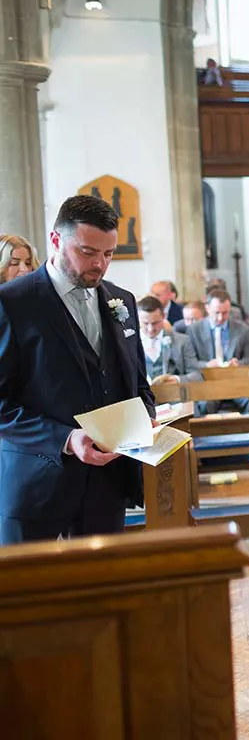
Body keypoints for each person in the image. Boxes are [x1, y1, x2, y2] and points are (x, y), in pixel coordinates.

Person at [0, 195, 153, 544]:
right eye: (87, 252)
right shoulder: (11, 303)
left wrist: (145, 418)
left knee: (102, 580)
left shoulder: (122, 300)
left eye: (109, 254)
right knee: (29, 581)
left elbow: (137, 382)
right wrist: (66, 439)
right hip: (36, 483)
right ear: (56, 240)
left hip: (107, 485)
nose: (100, 264)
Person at [137, 295, 202, 385]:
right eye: (145, 323)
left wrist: (177, 379)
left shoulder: (182, 341)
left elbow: (197, 376)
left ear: (163, 316)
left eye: (155, 323)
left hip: (173, 393)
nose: (150, 329)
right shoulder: (129, 344)